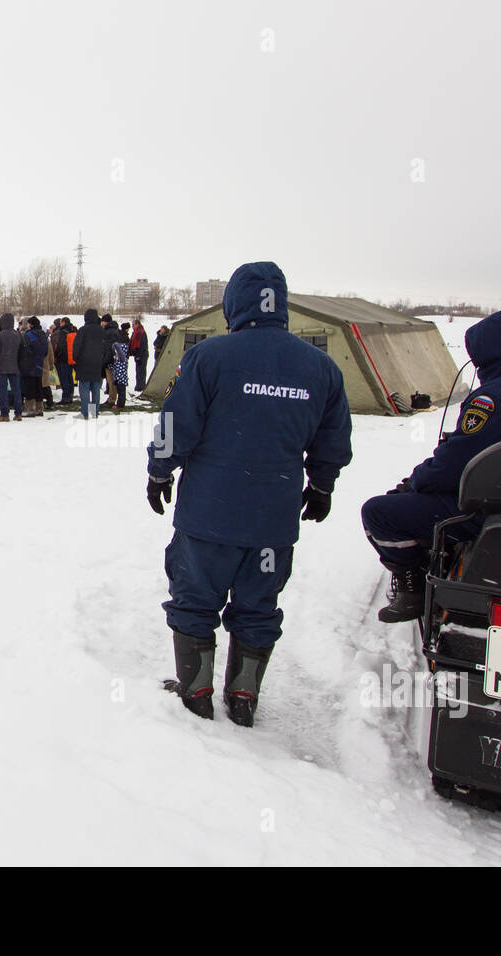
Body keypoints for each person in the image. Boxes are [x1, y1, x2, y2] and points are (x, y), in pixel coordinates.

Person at [147, 261, 352, 727]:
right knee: (258, 605)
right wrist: (322, 484)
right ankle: (243, 696)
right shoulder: (320, 366)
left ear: (233, 303)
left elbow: (175, 424)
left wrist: (160, 471)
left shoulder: (210, 356)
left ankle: (196, 689)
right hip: (273, 519)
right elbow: (333, 437)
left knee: (195, 598)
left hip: (208, 517)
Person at [360, 308, 501, 623]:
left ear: (491, 352)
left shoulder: (493, 398)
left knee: (379, 513)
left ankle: (413, 587)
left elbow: (454, 462)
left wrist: (415, 483)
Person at [72, 309, 108, 419]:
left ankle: (85, 412)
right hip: (97, 364)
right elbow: (105, 347)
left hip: (84, 364)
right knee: (96, 390)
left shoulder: (83, 330)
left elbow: (76, 347)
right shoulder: (101, 330)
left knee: (84, 389)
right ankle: (94, 412)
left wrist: (76, 359)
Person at [0, 313, 23, 422]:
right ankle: (18, 413)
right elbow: (21, 352)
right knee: (17, 390)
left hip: (2, 367)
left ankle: (4, 414)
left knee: (3, 391)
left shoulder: (0, 335)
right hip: (15, 367)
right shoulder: (18, 334)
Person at [19, 316, 49, 417]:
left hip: (29, 365)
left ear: (30, 325)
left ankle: (30, 409)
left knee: (29, 387)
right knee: (38, 386)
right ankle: (39, 408)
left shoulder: (29, 334)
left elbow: (25, 349)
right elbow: (45, 351)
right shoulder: (43, 334)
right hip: (39, 364)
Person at [51, 318, 75, 406]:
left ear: (63, 323)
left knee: (63, 378)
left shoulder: (62, 333)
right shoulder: (72, 331)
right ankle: (70, 395)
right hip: (70, 358)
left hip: (62, 359)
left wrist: (56, 355)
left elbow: (59, 346)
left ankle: (65, 397)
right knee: (69, 377)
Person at [129, 315, 150, 393]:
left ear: (137, 324)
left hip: (142, 355)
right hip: (139, 354)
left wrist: (139, 356)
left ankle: (140, 386)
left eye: (133, 325)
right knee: (138, 371)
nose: (132, 327)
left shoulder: (140, 333)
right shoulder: (137, 332)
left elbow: (142, 345)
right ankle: (139, 385)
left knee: (141, 371)